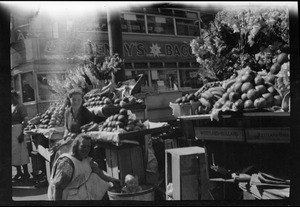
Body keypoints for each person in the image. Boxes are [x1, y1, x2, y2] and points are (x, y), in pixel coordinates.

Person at [48, 134, 120, 200]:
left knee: (98, 178)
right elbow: (58, 188)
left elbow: (99, 172)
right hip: (64, 196)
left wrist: (112, 180)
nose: (86, 149)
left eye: (88, 147)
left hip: (76, 191)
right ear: (76, 146)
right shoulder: (68, 163)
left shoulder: (86, 159)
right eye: (83, 146)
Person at [51, 88, 94, 162]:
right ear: (69, 100)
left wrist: (75, 138)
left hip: (81, 144)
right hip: (69, 140)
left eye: (79, 99)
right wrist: (64, 138)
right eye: (74, 99)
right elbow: (67, 128)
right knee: (57, 152)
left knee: (64, 155)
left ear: (82, 100)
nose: (76, 102)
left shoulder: (86, 113)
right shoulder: (67, 112)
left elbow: (88, 133)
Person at [11, 90, 31, 181]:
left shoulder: (21, 106)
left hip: (19, 131)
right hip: (12, 133)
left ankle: (26, 173)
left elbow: (26, 121)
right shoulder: (11, 106)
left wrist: (22, 133)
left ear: (16, 97)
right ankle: (19, 172)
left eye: (12, 97)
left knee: (22, 152)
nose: (11, 99)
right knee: (15, 153)